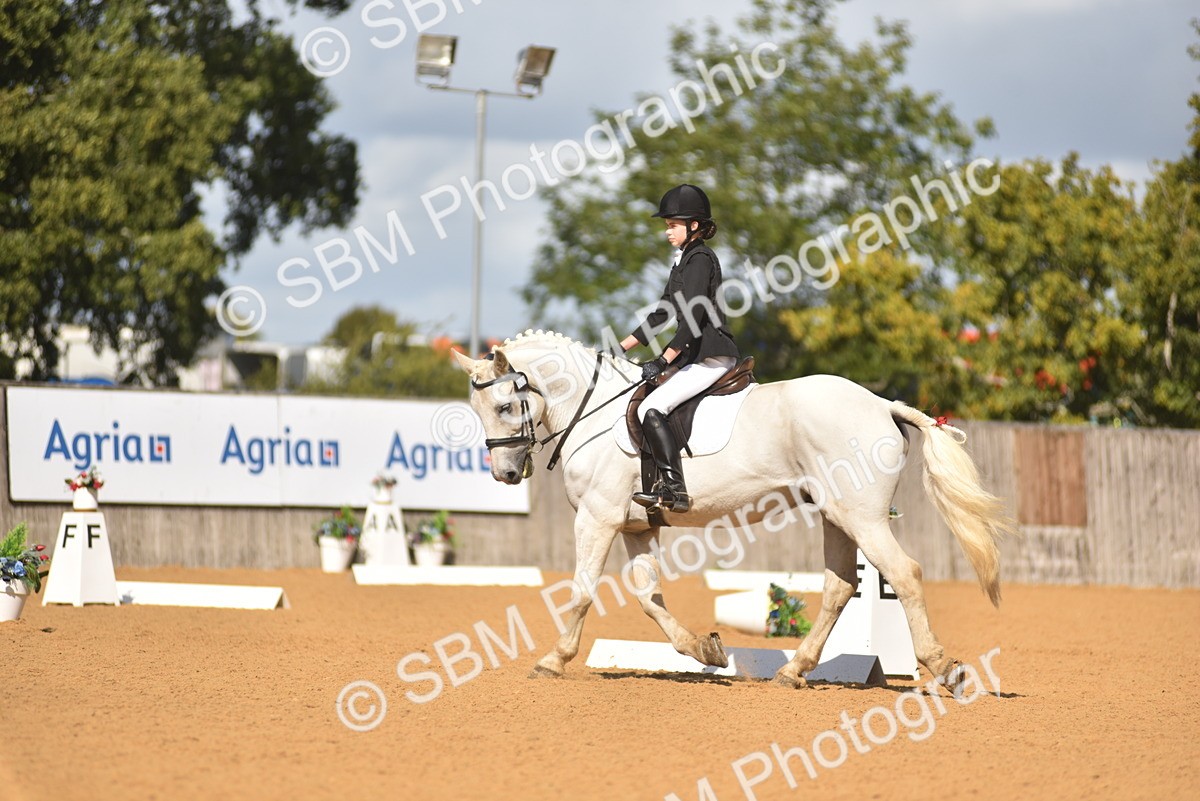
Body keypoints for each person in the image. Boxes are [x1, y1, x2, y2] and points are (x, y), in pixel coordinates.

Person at [619, 184, 740, 513]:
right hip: (693, 355)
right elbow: (663, 313)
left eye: (673, 225)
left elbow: (692, 318)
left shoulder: (700, 259)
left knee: (650, 408)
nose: (667, 231)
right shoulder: (683, 260)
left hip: (711, 355)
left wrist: (663, 360)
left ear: (694, 225)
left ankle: (675, 489)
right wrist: (621, 346)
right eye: (667, 225)